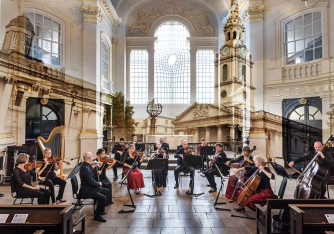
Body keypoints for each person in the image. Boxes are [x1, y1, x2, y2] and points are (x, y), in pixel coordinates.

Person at [79, 152, 109, 222]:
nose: (92, 158)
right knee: (103, 198)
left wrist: (95, 167)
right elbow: (91, 182)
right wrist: (99, 183)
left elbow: (91, 175)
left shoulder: (86, 165)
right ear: (89, 158)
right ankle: (97, 215)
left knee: (106, 191)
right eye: (91, 157)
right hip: (87, 190)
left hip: (90, 187)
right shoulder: (85, 168)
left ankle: (99, 209)